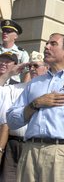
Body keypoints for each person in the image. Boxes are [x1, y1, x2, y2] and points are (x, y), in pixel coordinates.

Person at [6, 33, 64, 182]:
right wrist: (35, 104)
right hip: (30, 151)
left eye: (53, 44)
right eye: (47, 43)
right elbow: (11, 120)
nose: (46, 46)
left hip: (61, 154)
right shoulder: (35, 83)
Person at [0, 51, 48, 181]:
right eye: (30, 66)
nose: (32, 69)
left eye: (36, 66)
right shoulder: (18, 88)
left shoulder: (49, 90)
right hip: (13, 144)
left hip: (34, 145)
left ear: (46, 67)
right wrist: (9, 73)